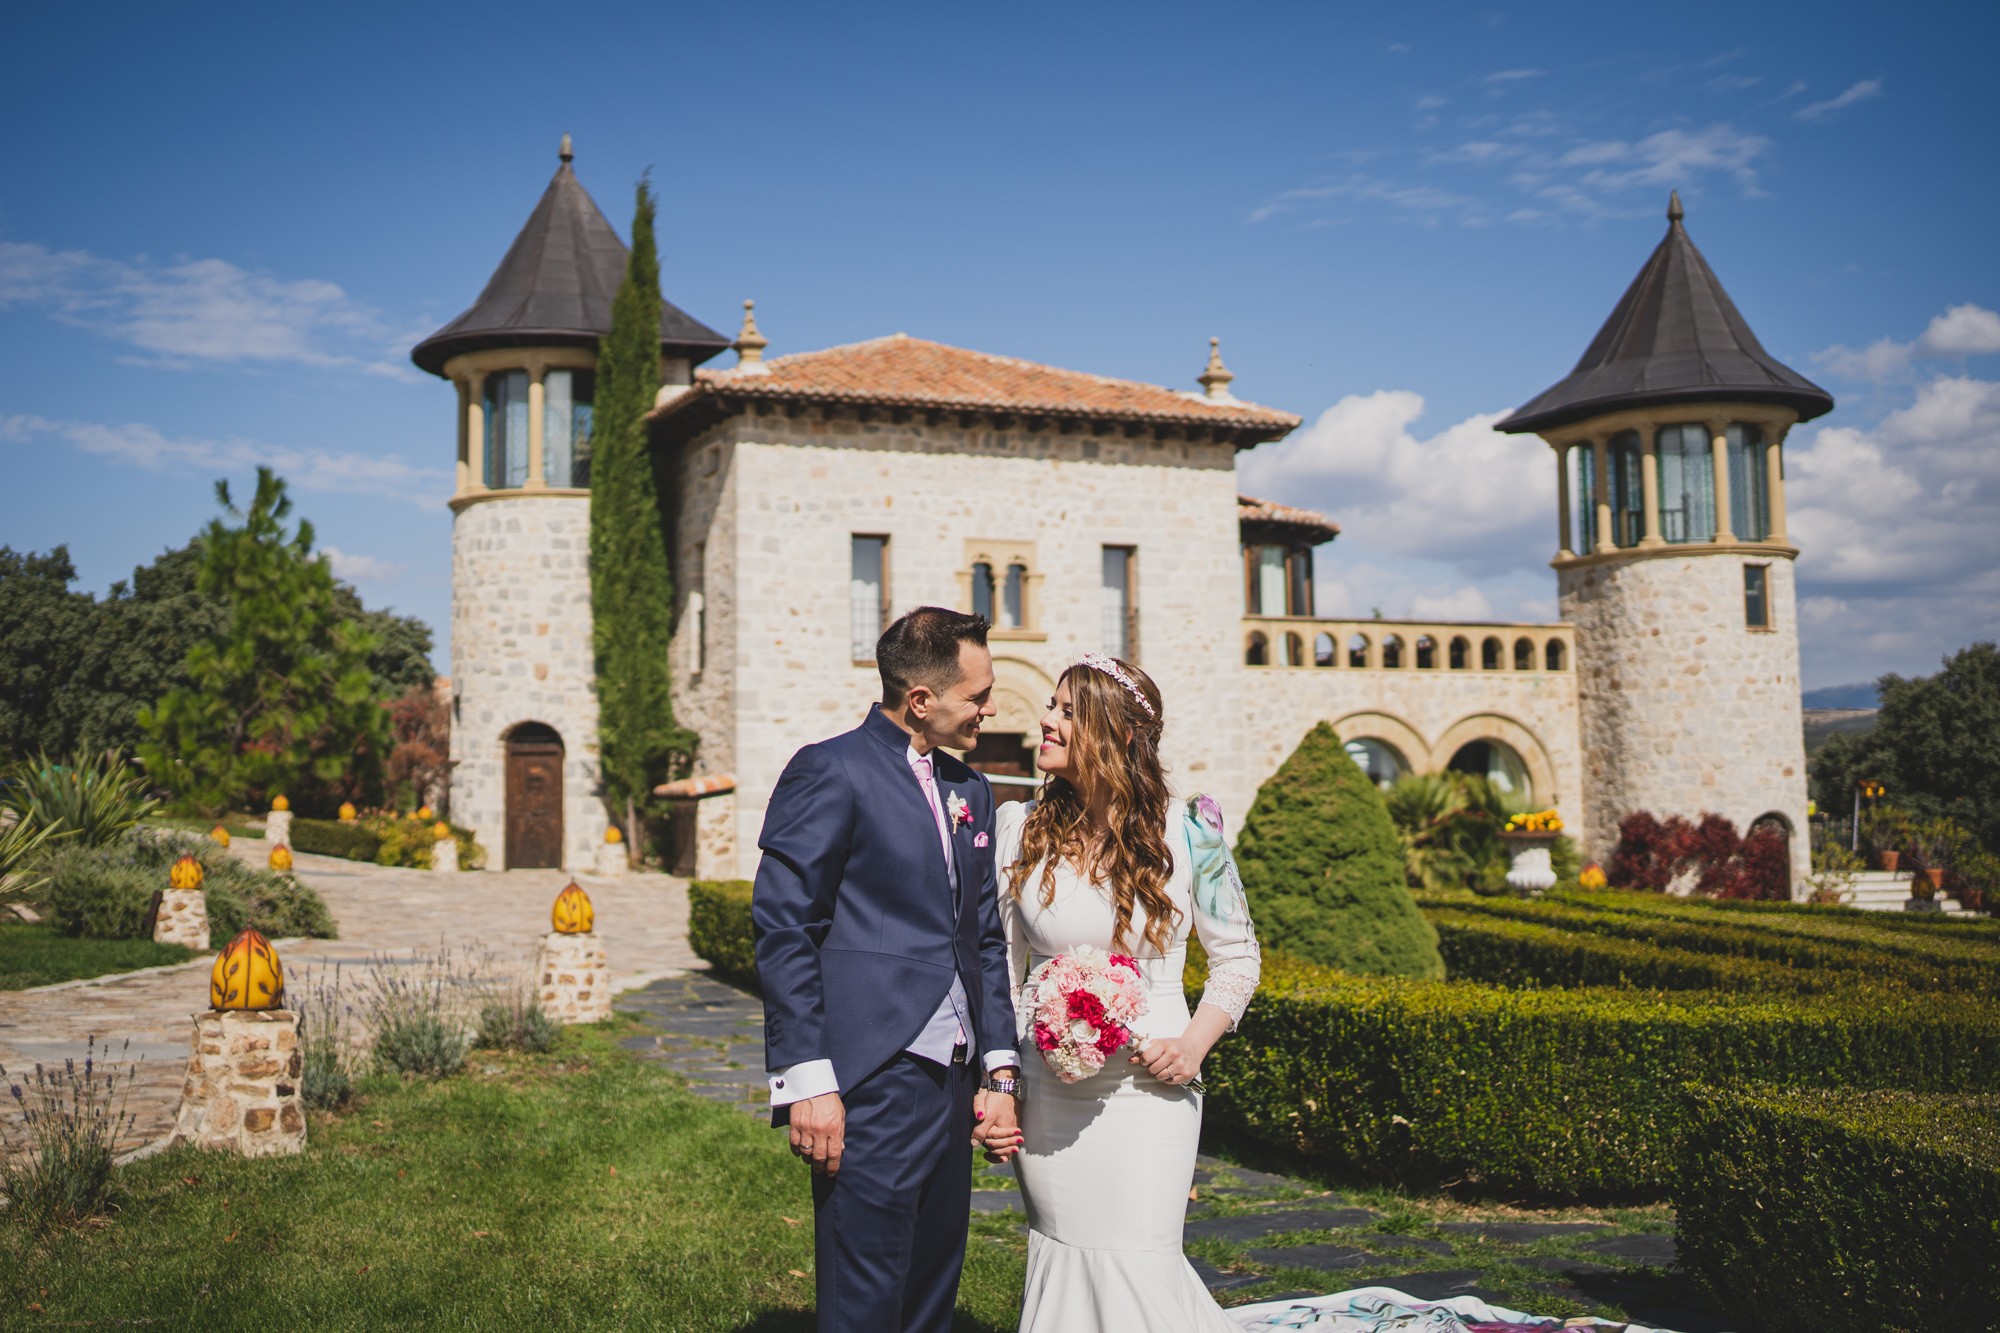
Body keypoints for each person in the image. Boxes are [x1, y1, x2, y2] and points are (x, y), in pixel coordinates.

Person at [752, 606, 1023, 1333]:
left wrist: (999, 1072)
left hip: (952, 1079)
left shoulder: (973, 790)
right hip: (868, 1078)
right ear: (922, 700)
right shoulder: (829, 769)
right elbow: (785, 929)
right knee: (865, 1292)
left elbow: (984, 940)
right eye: (978, 695)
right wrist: (809, 1080)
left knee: (933, 1283)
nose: (989, 708)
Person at [989, 652, 1262, 1333]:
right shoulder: (1019, 827)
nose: (1045, 720)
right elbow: (999, 965)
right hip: (1047, 1094)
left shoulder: (1191, 830)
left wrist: (1194, 1044)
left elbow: (1238, 957)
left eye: (1068, 712)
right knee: (1065, 1256)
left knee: (1140, 1259)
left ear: (1121, 735)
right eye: (1051, 706)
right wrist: (998, 1079)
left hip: (1152, 1089)